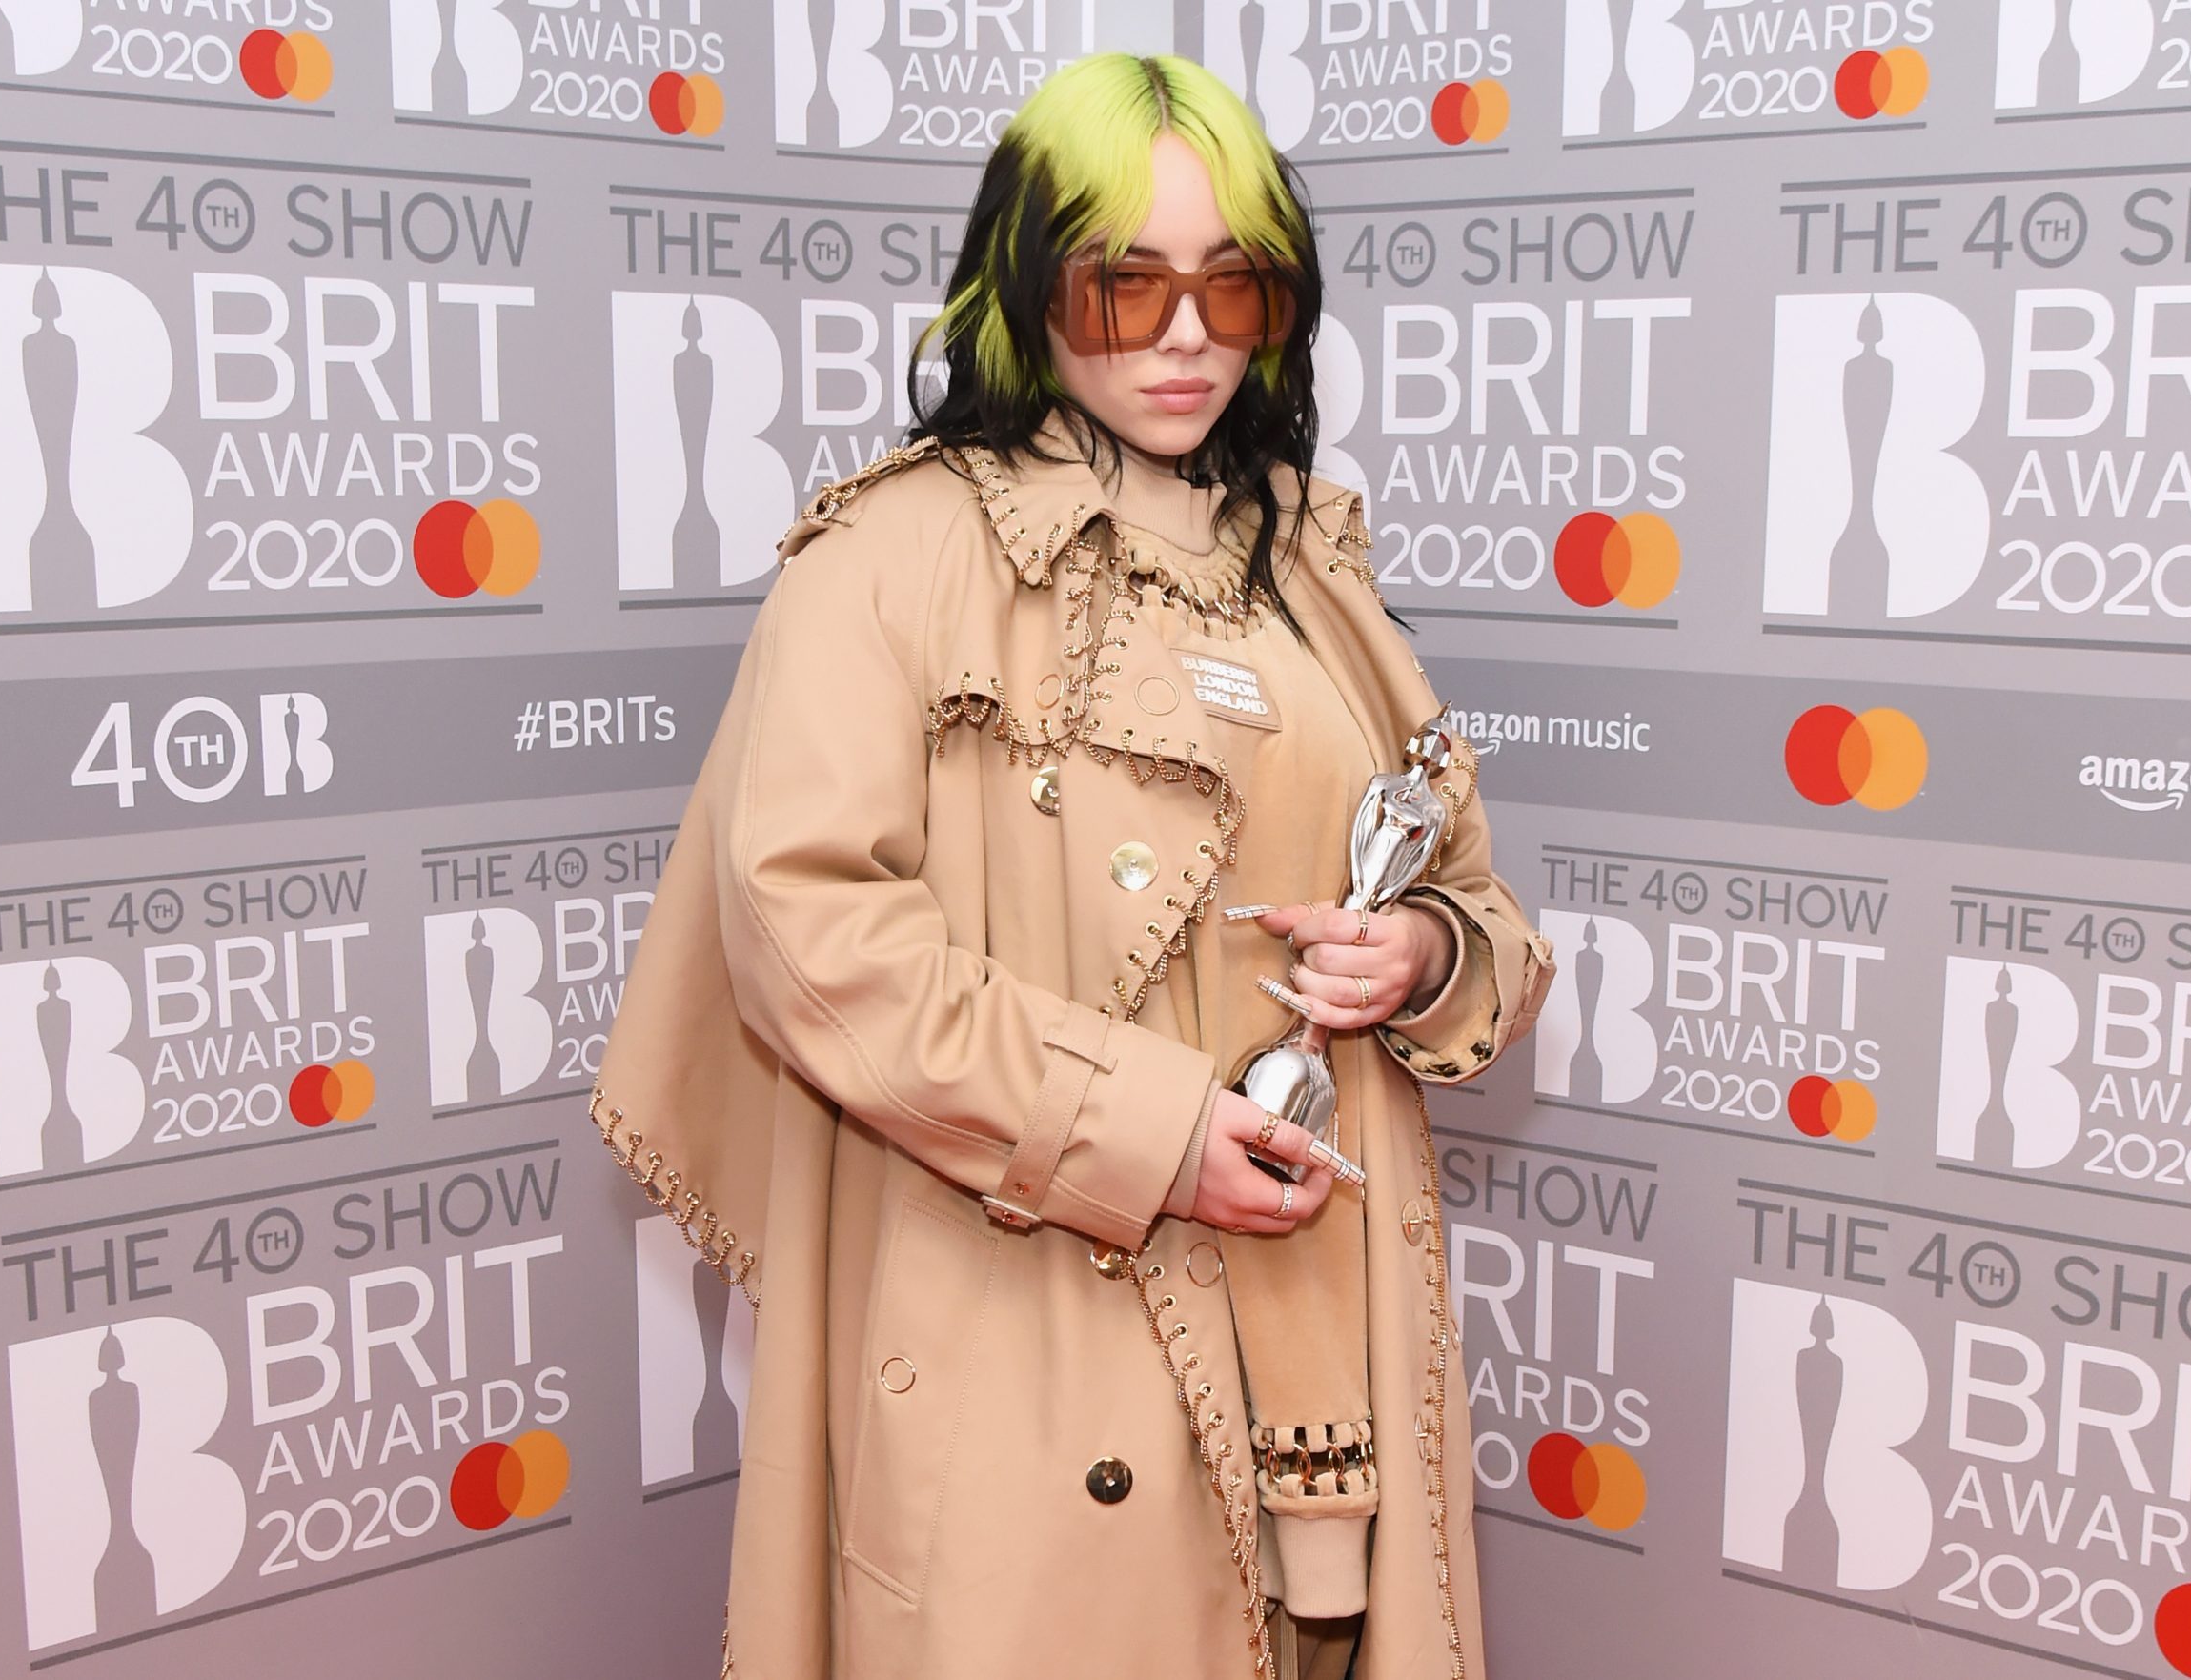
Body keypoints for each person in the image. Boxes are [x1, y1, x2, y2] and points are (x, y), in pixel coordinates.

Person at [590, 51, 1554, 1680]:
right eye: (1125, 286)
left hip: (1320, 1328)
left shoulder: (1311, 564)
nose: (1188, 337)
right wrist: (1154, 1131)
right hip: (1029, 1300)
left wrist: (1428, 959)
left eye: (1234, 285)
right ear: (1024, 289)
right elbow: (806, 928)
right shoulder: (894, 557)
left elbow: (1473, 898)